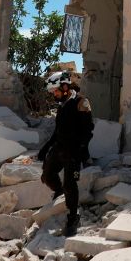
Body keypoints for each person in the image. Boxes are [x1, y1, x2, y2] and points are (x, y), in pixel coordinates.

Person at [37, 69, 93, 237]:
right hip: (60, 147)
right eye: (52, 91)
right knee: (47, 176)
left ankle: (73, 217)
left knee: (70, 184)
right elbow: (58, 131)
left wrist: (81, 150)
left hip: (74, 150)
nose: (54, 94)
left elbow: (88, 131)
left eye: (55, 90)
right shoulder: (62, 105)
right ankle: (61, 193)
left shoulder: (81, 102)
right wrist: (46, 147)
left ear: (65, 87)